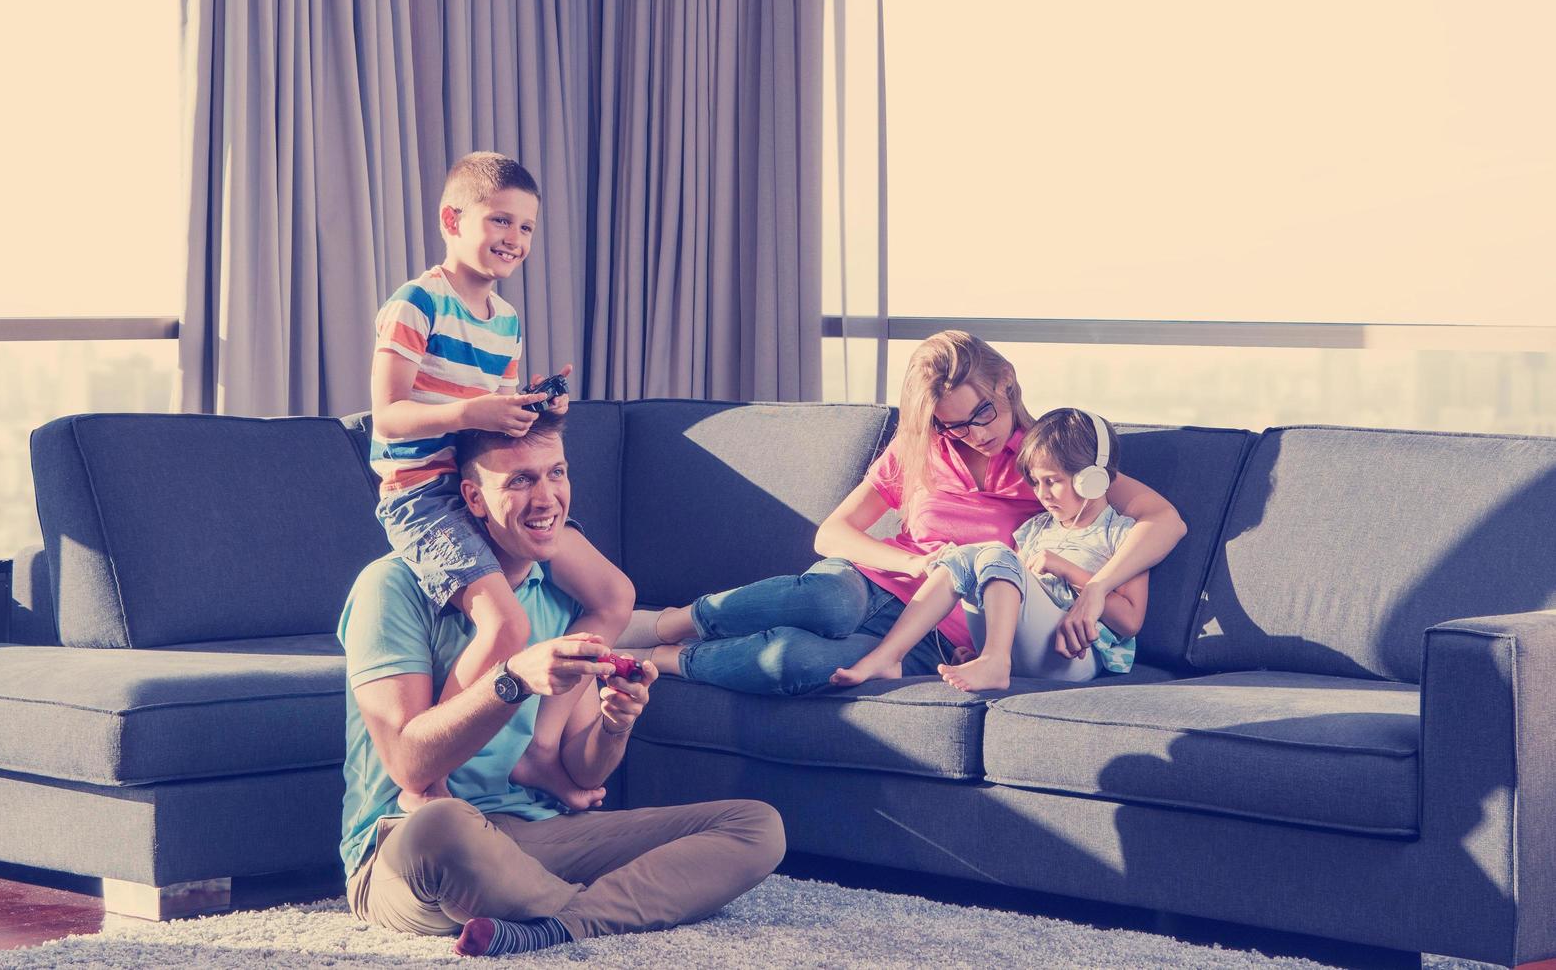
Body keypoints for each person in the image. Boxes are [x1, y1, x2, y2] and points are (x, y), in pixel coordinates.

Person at [339, 414, 785, 957]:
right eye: (521, 480)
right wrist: (511, 680)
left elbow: (580, 771)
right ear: (473, 499)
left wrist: (615, 727)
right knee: (443, 826)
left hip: (529, 835)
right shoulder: (390, 586)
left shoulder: (561, 596)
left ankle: (552, 925)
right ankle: (606, 910)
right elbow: (409, 765)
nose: (548, 497)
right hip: (405, 848)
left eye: (557, 473)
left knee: (756, 828)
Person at [628, 331, 1186, 695]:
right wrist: (912, 563)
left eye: (983, 413)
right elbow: (832, 534)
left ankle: (667, 656)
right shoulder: (918, 450)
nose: (975, 434)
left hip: (932, 636)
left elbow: (1163, 520)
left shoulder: (1050, 465)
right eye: (953, 424)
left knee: (795, 662)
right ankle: (673, 619)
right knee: (828, 597)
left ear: (1007, 384)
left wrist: (1096, 587)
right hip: (875, 584)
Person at [368, 152, 635, 811]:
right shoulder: (415, 303)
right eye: (499, 222)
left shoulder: (506, 318)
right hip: (422, 496)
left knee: (613, 596)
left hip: (479, 484)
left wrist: (534, 407)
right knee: (508, 628)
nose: (513, 240)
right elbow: (388, 415)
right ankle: (426, 776)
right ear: (451, 220)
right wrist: (471, 411)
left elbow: (493, 429)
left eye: (526, 228)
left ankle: (538, 754)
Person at [829, 407, 1148, 691]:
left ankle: (996, 662)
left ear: (1091, 480)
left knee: (993, 552)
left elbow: (1130, 621)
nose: (1042, 494)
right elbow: (1007, 598)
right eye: (1036, 483)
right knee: (965, 556)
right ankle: (892, 655)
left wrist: (1066, 569)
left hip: (1077, 656)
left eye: (1052, 481)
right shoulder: (1034, 531)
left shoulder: (1122, 534)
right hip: (1029, 653)